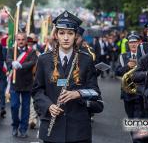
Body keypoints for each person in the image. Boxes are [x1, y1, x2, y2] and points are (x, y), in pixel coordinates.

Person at [32, 10, 103, 143]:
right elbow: (37, 91)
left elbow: (95, 92)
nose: (66, 38)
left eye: (70, 33)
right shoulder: (44, 60)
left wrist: (78, 93)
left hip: (79, 131)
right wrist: (48, 106)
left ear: (76, 35)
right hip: (52, 131)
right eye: (62, 33)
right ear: (56, 35)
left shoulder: (86, 60)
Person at [7, 32, 38, 137]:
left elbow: (32, 62)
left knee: (26, 108)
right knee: (14, 106)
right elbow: (8, 60)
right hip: (15, 83)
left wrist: (20, 65)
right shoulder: (12, 50)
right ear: (16, 40)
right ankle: (15, 125)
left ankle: (23, 129)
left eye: (23, 39)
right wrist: (12, 62)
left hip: (27, 83)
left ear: (26, 40)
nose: (20, 41)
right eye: (19, 39)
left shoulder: (31, 51)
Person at [115, 32, 143, 143]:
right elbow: (117, 72)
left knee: (138, 119)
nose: (133, 44)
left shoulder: (144, 55)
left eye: (135, 42)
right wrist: (127, 66)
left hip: (140, 93)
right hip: (127, 94)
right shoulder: (123, 56)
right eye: (131, 42)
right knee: (131, 119)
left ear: (139, 42)